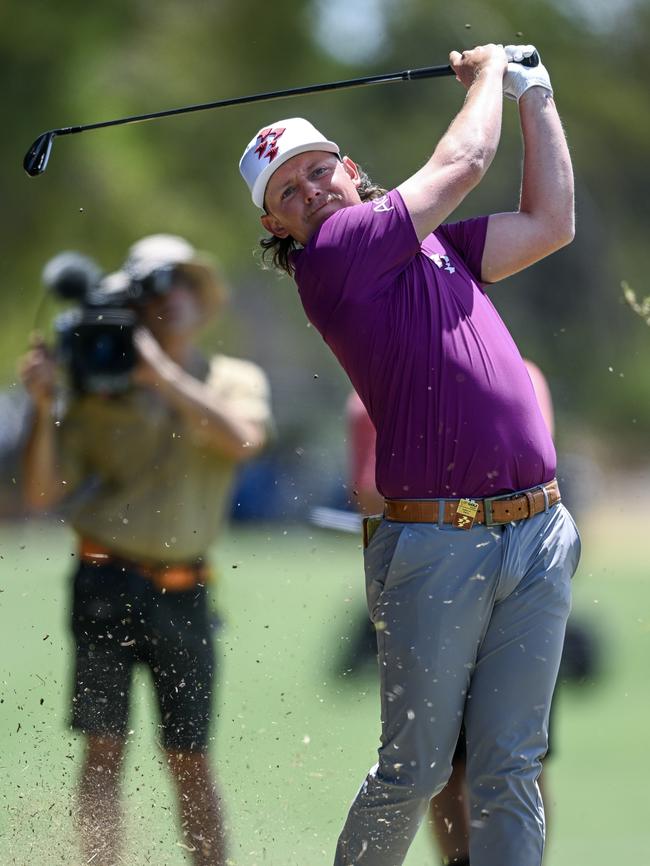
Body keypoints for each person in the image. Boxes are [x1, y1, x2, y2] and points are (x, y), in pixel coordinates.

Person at [239, 41, 581, 866]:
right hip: (440, 542)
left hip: (536, 530)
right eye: (289, 190)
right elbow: (463, 158)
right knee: (415, 772)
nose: (310, 190)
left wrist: (535, 93)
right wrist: (492, 72)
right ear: (274, 225)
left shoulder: (437, 248)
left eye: (319, 170)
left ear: (351, 168)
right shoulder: (334, 256)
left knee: (511, 769)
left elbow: (551, 225)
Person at [18, 235, 272, 866]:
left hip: (186, 591)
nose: (172, 297)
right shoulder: (97, 384)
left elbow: (243, 439)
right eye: (157, 287)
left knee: (190, 759)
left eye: (184, 283)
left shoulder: (233, 379)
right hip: (104, 579)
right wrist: (44, 405)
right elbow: (43, 490)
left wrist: (160, 375)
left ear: (199, 297)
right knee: (103, 751)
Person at [345, 359, 563, 865]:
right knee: (430, 764)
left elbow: (531, 467)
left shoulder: (525, 373)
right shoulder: (374, 389)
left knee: (517, 758)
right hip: (432, 586)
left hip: (517, 570)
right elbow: (369, 490)